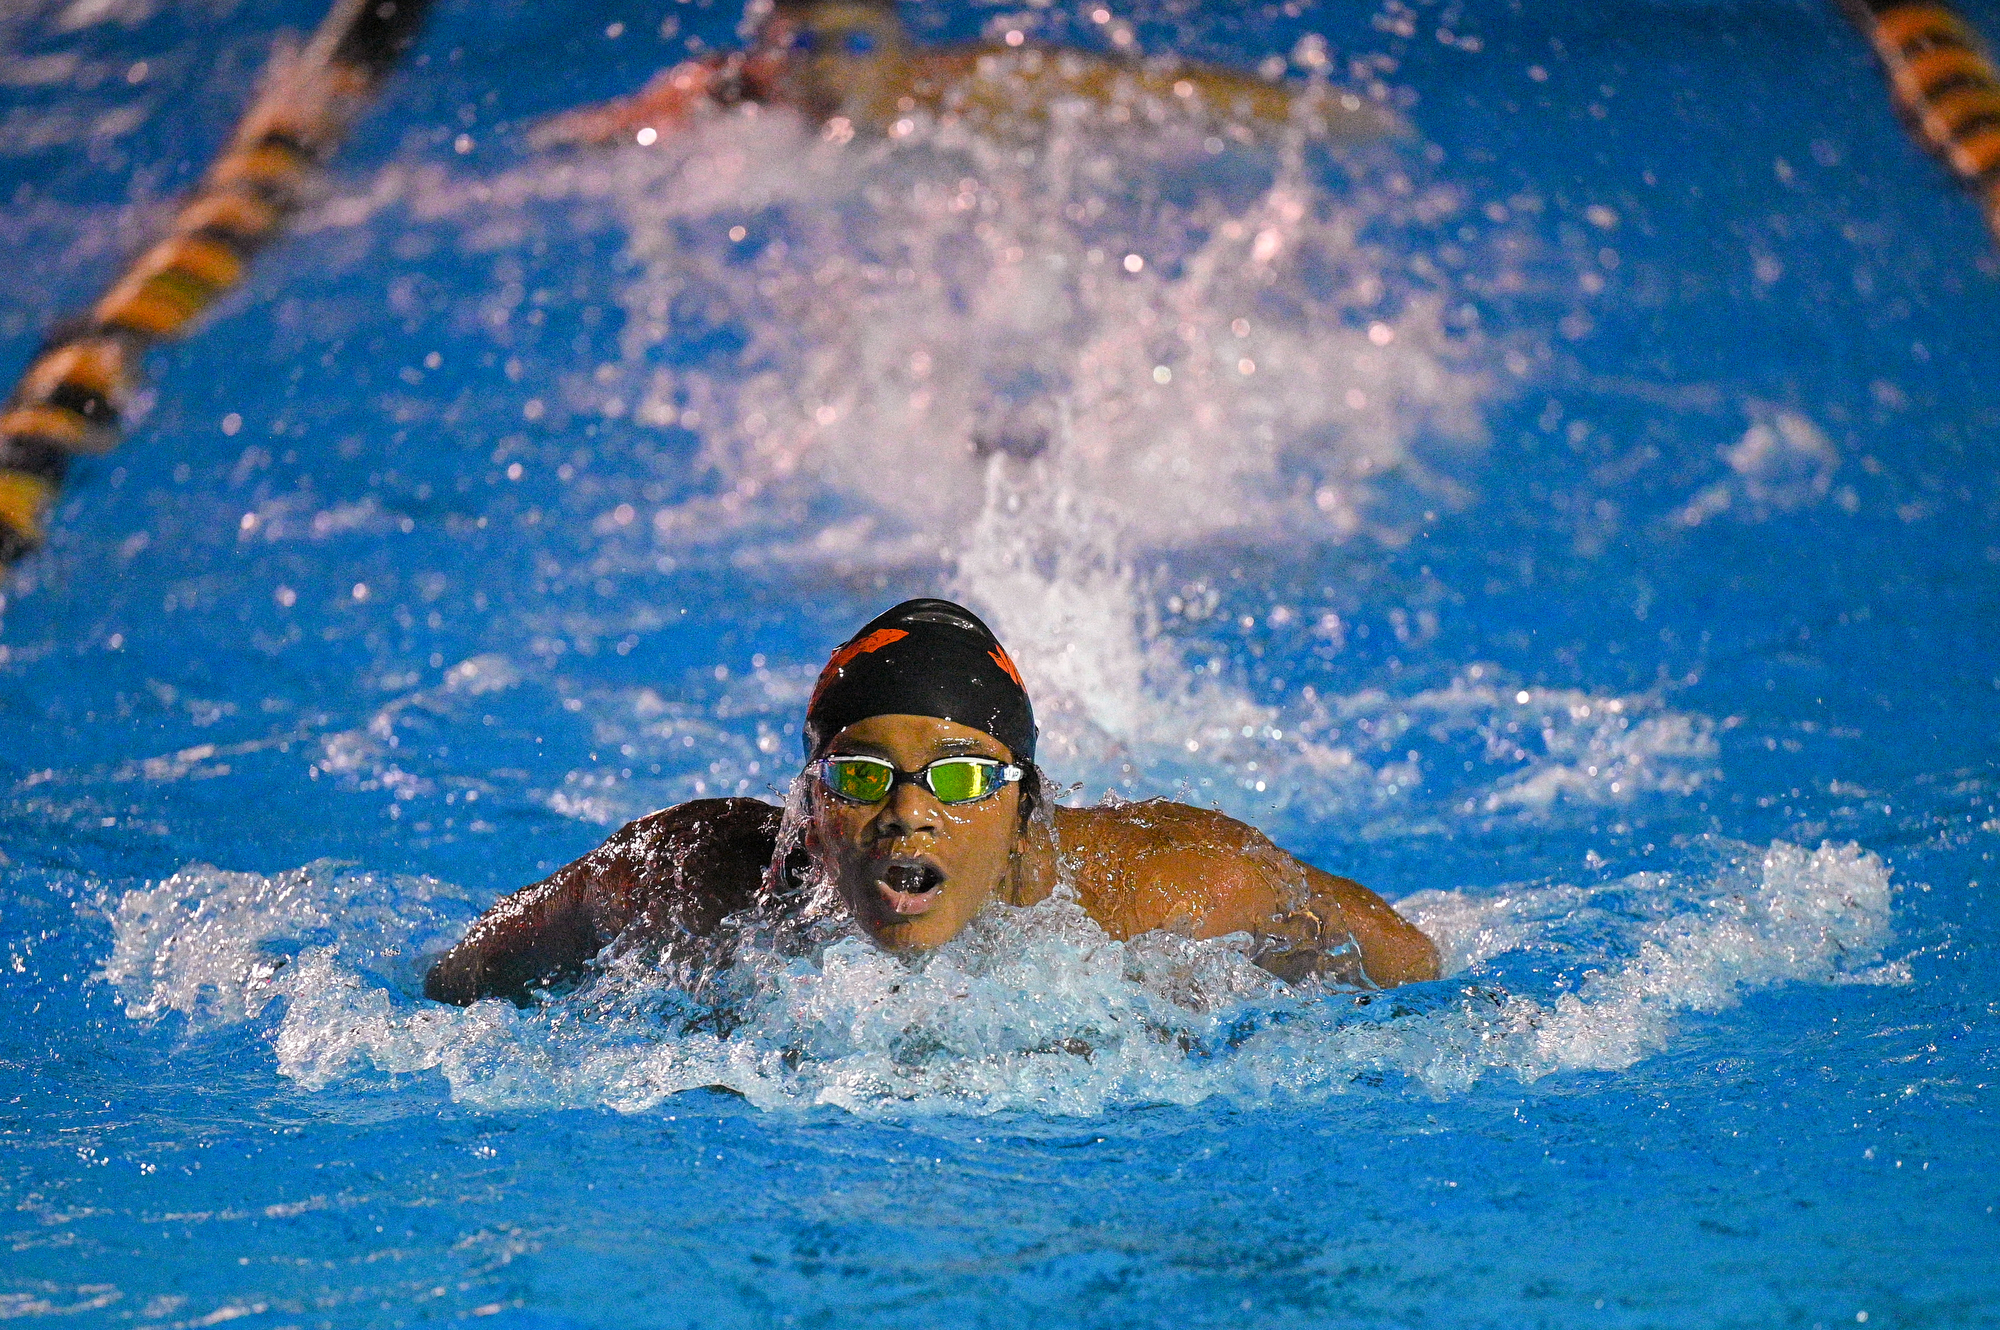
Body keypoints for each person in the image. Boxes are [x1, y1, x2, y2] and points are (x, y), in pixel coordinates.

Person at [424, 597, 1438, 1005]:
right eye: (862, 776)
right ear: (809, 806)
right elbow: (454, 981)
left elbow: (1409, 963)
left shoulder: (1174, 887)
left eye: (958, 778)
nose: (910, 812)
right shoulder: (685, 878)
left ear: (1022, 806)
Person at [530, 0, 1401, 149]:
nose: (831, 80)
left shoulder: (974, 89)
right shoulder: (731, 100)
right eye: (803, 50)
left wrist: (1326, 116)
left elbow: (1158, 92)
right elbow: (570, 143)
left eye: (856, 48)